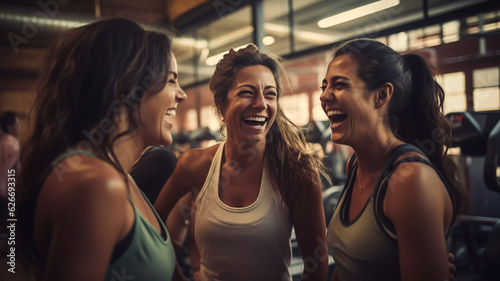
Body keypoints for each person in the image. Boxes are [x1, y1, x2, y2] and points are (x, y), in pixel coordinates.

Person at [17, 18, 187, 281]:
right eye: (171, 81)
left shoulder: (120, 177)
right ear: (129, 86)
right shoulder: (96, 183)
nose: (182, 94)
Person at [154, 44, 329, 281]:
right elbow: (152, 227)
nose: (261, 103)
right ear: (221, 103)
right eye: (247, 92)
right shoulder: (195, 165)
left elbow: (316, 267)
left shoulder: (297, 171)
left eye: (270, 94)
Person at [320, 38, 465, 281]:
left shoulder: (410, 181)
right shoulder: (355, 166)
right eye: (323, 86)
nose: (324, 96)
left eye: (340, 85)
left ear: (381, 95)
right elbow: (347, 270)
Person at [0, 111, 21, 201]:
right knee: (11, 213)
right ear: (10, 128)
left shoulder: (2, 142)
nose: (20, 127)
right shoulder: (14, 147)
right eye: (17, 124)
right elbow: (10, 171)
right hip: (8, 191)